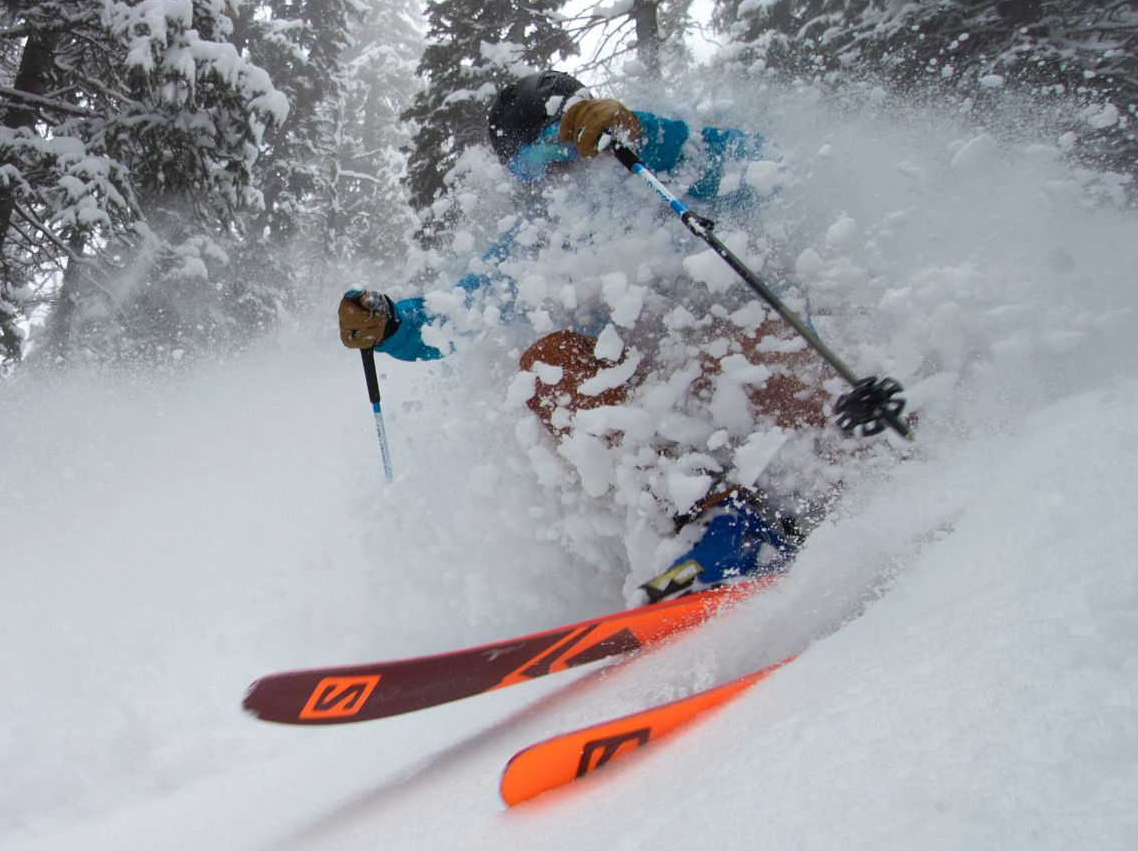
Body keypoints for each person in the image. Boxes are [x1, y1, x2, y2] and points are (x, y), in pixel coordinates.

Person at [338, 74, 823, 604]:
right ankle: (712, 521)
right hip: (670, 409)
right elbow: (465, 309)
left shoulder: (658, 164)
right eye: (529, 166)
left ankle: (830, 469)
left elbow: (764, 168)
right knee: (548, 364)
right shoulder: (537, 236)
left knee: (727, 328)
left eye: (555, 146)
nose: (551, 172)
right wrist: (395, 324)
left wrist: (642, 135)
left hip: (763, 383)